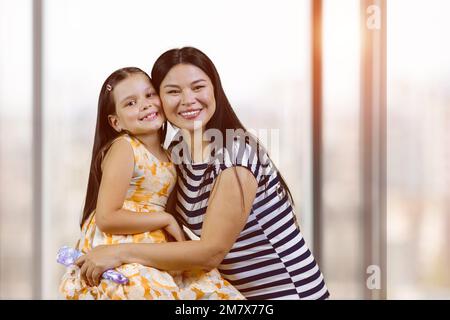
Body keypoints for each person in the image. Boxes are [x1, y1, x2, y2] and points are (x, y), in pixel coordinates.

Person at [75, 48, 330, 300]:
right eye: (173, 91)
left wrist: (118, 253)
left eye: (198, 87)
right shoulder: (176, 154)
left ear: (214, 89)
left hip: (292, 293)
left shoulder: (235, 154)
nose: (188, 100)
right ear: (160, 99)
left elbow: (210, 252)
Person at [59, 66, 244, 300]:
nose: (145, 105)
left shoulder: (171, 153)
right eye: (130, 103)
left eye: (149, 95)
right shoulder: (124, 148)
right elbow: (107, 217)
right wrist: (165, 219)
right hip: (120, 239)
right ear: (116, 122)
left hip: (150, 242)